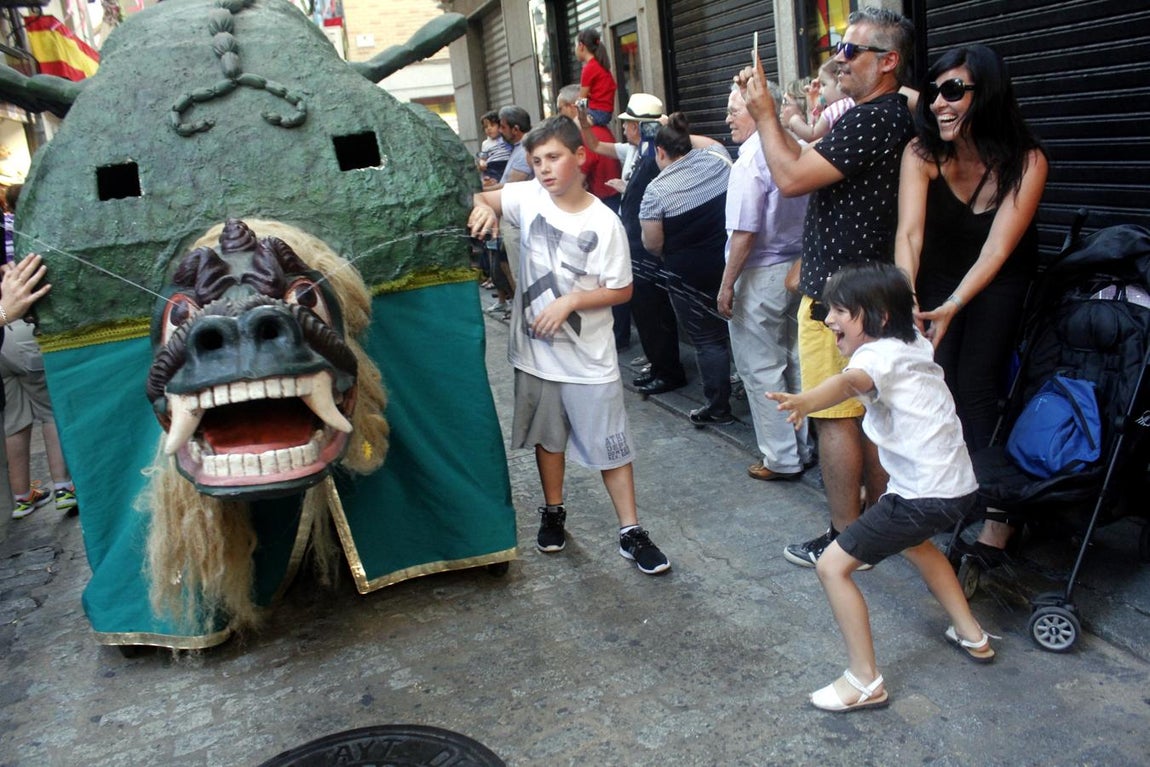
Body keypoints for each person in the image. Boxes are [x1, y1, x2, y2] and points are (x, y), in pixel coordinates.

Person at [767, 262, 995, 713]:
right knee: (919, 547)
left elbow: (851, 381)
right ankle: (973, 634)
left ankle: (864, 680)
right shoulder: (913, 343)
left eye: (839, 310)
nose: (828, 318)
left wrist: (807, 400)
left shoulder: (875, 358)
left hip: (921, 493)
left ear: (878, 316)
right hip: (955, 486)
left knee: (833, 568)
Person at [739, 6, 916, 568]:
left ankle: (847, 536)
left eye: (852, 51)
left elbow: (789, 178)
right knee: (868, 416)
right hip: (859, 292)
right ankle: (873, 528)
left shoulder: (874, 118)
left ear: (888, 63)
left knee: (836, 417)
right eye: (840, 47)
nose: (840, 59)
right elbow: (803, 165)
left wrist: (765, 112)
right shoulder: (882, 115)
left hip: (841, 300)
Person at [468, 116, 671, 575]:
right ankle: (553, 512)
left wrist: (573, 300)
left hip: (589, 362)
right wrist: (484, 207)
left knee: (612, 448)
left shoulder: (605, 222)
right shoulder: (528, 197)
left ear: (580, 157)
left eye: (554, 157)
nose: (544, 169)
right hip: (536, 356)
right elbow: (482, 195)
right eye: (537, 160)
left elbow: (622, 289)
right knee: (548, 440)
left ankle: (630, 530)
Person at [894, 44, 1048, 557]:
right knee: (939, 383)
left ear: (988, 94)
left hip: (999, 278)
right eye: (935, 91)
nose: (939, 102)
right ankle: (957, 491)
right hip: (937, 274)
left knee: (978, 384)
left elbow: (998, 249)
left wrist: (954, 306)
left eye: (954, 90)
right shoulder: (922, 154)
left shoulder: (1026, 160)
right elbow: (910, 235)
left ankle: (1000, 521)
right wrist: (906, 298)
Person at [719, 82, 811, 478]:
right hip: (797, 271)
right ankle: (802, 449)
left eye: (734, 110)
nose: (728, 118)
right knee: (794, 361)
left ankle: (782, 458)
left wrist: (726, 285)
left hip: (760, 275)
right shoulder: (797, 148)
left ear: (759, 110)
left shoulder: (750, 161)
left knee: (761, 368)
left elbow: (744, 232)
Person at [581, 93, 687, 395]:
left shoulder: (656, 153)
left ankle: (668, 371)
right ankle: (658, 366)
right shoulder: (640, 150)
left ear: (640, 126)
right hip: (636, 244)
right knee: (646, 314)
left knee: (655, 314)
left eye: (628, 124)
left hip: (646, 249)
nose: (624, 129)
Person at [639, 112, 733, 426]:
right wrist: (678, 130)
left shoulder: (655, 190)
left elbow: (652, 243)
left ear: (660, 151)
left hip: (687, 275)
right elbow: (715, 142)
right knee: (738, 331)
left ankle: (718, 406)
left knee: (708, 341)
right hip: (730, 263)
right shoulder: (718, 160)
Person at [0, 253, 54, 532]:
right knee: (50, 411)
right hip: (16, 328)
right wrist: (4, 311)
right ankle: (65, 488)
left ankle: (22, 495)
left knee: (14, 420)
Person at [787, 59, 855, 143]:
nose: (820, 90)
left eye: (823, 84)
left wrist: (794, 121)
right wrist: (814, 109)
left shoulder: (836, 108)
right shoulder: (851, 103)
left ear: (840, 82)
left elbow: (813, 136)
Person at [575, 27, 617, 128]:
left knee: (571, 127)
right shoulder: (600, 64)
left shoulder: (589, 68)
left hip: (597, 113)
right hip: (605, 113)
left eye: (575, 46)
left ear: (581, 46)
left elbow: (581, 100)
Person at [476, 110, 512, 184]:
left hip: (506, 164)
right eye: (486, 127)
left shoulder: (505, 138)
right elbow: (483, 157)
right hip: (492, 166)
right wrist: (482, 162)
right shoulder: (486, 143)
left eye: (492, 125)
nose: (489, 129)